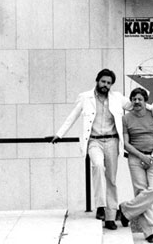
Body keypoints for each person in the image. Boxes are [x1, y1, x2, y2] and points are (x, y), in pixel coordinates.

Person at [51, 69, 130, 230]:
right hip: (94, 141)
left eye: (108, 83)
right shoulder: (85, 97)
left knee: (112, 179)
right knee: (98, 166)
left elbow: (136, 104)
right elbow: (72, 116)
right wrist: (59, 134)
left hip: (113, 141)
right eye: (103, 81)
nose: (105, 85)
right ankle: (100, 206)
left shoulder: (117, 98)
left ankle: (111, 214)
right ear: (97, 81)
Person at [118, 88, 153, 243]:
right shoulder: (126, 119)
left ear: (146, 101)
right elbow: (125, 143)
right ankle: (150, 231)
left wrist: (151, 156)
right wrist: (141, 156)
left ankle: (126, 210)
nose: (137, 102)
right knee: (141, 192)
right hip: (136, 158)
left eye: (140, 99)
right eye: (134, 99)